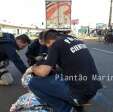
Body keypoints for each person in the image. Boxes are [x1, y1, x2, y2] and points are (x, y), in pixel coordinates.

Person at [26, 29, 102, 112]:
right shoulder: (75, 40)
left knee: (33, 83)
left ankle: (66, 109)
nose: (47, 48)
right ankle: (76, 105)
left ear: (49, 41)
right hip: (93, 87)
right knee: (59, 73)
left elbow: (44, 72)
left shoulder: (55, 44)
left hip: (79, 93)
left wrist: (32, 68)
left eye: (46, 45)